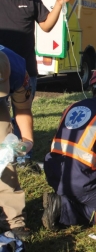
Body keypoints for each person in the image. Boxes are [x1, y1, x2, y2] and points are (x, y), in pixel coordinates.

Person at [42, 67, 96, 230]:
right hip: (80, 180)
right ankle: (64, 207)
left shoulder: (71, 108)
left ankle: (66, 197)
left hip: (54, 172)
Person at [0, 0, 73, 163]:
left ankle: (22, 157)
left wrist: (59, 4)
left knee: (22, 109)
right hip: (1, 69)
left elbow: (46, 25)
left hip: (25, 69)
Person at [0, 45, 34, 240]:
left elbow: (22, 109)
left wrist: (27, 139)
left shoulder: (19, 71)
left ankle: (13, 219)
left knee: (4, 150)